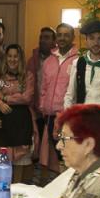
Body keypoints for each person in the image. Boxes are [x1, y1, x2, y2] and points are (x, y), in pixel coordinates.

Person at [0, 43, 36, 178]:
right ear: (5, 58)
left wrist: (4, 98)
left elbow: (26, 97)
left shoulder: (28, 76)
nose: (12, 59)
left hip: (21, 121)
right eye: (9, 56)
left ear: (20, 58)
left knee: (20, 160)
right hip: (2, 121)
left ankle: (17, 187)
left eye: (16, 56)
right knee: (1, 160)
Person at [36, 22, 78, 177]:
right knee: (53, 153)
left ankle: (68, 183)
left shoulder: (78, 60)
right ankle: (58, 183)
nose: (62, 38)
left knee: (67, 153)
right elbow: (43, 87)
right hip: (49, 116)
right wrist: (42, 106)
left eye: (66, 35)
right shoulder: (49, 60)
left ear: (73, 37)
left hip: (67, 116)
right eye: (59, 35)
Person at [27, 26, 56, 164]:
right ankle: (36, 173)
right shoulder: (32, 60)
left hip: (52, 109)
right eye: (41, 37)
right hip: (35, 109)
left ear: (54, 41)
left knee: (52, 145)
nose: (43, 40)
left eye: (47, 38)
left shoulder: (58, 60)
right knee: (36, 144)